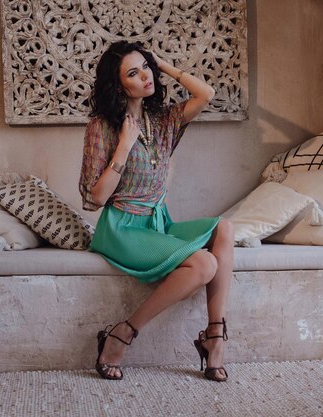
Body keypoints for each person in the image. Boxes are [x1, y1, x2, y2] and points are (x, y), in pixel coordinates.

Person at [79, 41, 234, 382]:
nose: (145, 76)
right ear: (119, 85)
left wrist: (162, 64)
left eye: (145, 67)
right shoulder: (102, 126)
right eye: (133, 73)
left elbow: (205, 94)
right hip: (123, 228)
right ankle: (124, 332)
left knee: (224, 228)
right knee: (205, 263)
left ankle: (214, 337)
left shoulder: (161, 119)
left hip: (158, 223)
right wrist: (123, 146)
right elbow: (96, 198)